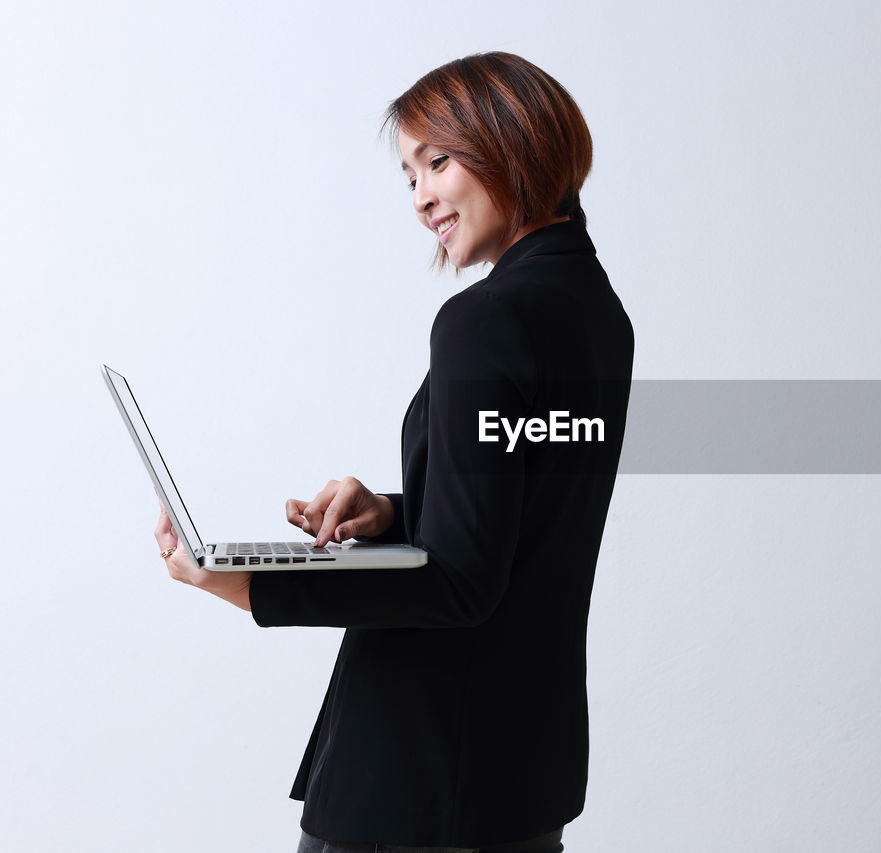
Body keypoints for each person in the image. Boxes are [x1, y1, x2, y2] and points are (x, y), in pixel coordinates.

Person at [152, 51, 634, 852]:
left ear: (513, 137)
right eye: (409, 176)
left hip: (418, 778)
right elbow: (534, 503)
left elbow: (460, 586)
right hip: (519, 776)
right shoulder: (595, 310)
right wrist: (397, 510)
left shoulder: (482, 321)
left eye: (436, 161)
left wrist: (245, 584)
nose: (421, 198)